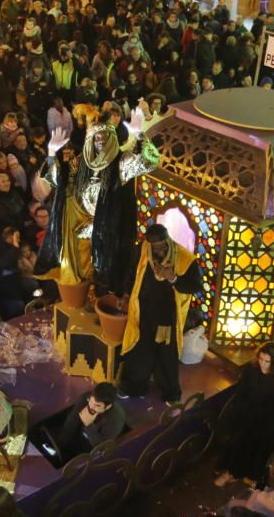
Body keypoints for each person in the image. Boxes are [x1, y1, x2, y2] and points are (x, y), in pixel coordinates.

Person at [35, 104, 162, 293]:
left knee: (104, 279)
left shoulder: (120, 163)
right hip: (79, 232)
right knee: (79, 279)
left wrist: (139, 135)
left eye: (105, 136)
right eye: (96, 137)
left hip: (108, 235)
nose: (100, 141)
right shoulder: (79, 164)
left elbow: (149, 161)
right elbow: (57, 182)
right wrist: (52, 153)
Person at [118, 224, 203, 404]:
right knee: (140, 352)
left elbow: (195, 286)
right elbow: (131, 274)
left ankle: (171, 394)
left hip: (167, 318)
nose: (158, 250)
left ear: (168, 240)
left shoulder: (184, 259)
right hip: (143, 313)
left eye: (161, 245)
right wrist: (126, 295)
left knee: (166, 356)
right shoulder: (142, 251)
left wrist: (173, 278)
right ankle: (133, 387)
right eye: (154, 246)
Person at [215, 341, 274, 487]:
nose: (262, 364)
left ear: (273, 362)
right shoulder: (251, 370)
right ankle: (231, 472)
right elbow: (241, 393)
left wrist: (267, 425)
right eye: (260, 359)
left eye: (267, 361)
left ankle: (249, 474)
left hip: (264, 422)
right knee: (238, 444)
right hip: (246, 415)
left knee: (256, 449)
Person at [55, 382, 126, 460]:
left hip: (91, 452)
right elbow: (71, 423)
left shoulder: (116, 418)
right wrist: (59, 446)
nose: (91, 406)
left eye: (97, 405)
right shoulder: (85, 398)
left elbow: (101, 448)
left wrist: (89, 425)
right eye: (91, 401)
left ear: (108, 406)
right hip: (77, 440)